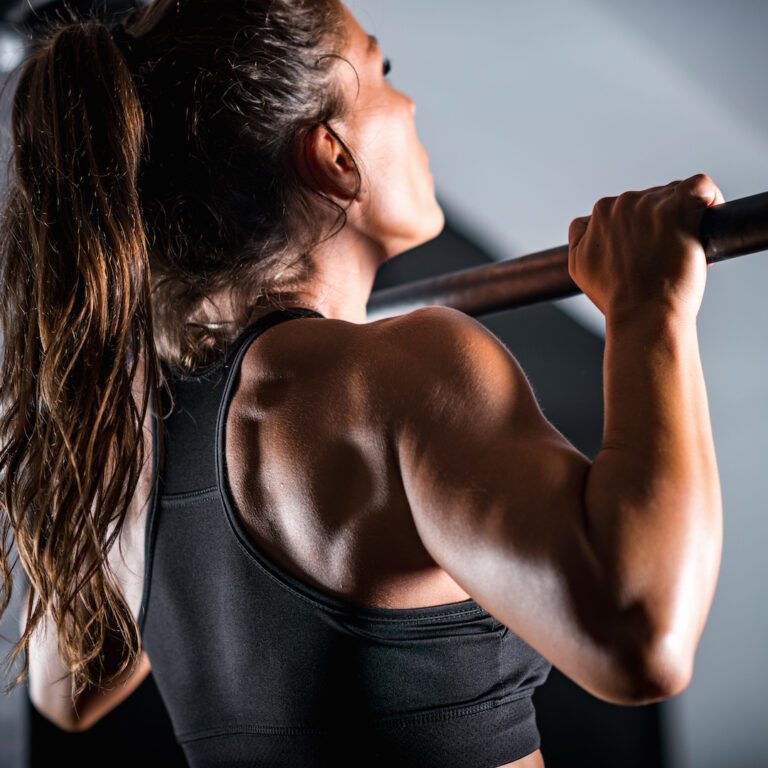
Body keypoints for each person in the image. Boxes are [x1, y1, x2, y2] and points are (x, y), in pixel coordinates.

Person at [0, 0, 723, 766]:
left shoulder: (139, 447)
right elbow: (642, 636)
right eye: (383, 70)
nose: (409, 102)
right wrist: (651, 307)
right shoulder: (404, 372)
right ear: (334, 157)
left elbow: (66, 688)